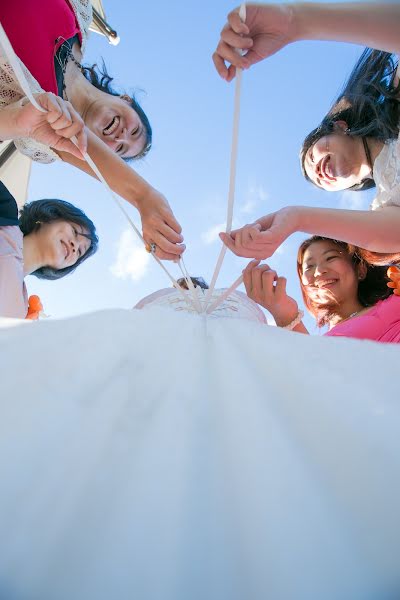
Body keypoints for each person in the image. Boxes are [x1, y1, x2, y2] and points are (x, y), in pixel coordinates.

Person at [0, 269, 400, 599]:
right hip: (149, 351)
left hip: (247, 354)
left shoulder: (245, 306)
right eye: (181, 285)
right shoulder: (155, 297)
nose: (188, 288)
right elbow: (133, 322)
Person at [213, 3, 400, 263]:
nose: (318, 172)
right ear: (351, 187)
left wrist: (294, 22)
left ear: (339, 127)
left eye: (313, 157)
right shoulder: (388, 204)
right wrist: (296, 218)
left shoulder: (397, 95)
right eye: (318, 180)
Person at [0, 0, 184, 260]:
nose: (121, 137)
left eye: (119, 149)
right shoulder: (81, 19)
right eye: (134, 131)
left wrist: (144, 198)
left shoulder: (44, 130)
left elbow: (86, 151)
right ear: (127, 101)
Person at [243, 235, 400, 343]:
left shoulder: (394, 301)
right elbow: (316, 374)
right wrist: (285, 316)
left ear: (360, 270)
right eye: (309, 266)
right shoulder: (319, 344)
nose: (319, 271)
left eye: (330, 258)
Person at [0, 181, 98, 318]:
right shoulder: (4, 208)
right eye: (75, 232)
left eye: (80, 251)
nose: (75, 246)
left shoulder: (22, 313)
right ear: (49, 216)